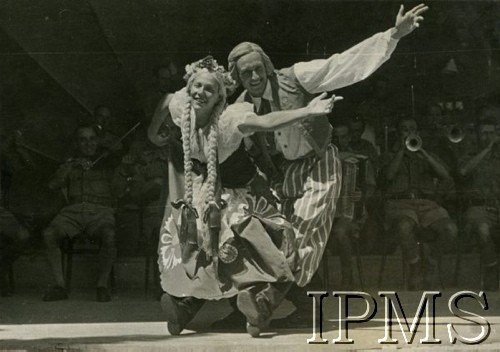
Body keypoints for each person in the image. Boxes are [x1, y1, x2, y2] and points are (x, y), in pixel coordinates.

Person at [226, 3, 429, 327]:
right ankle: (299, 305)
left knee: (306, 230)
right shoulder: (240, 106)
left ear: (267, 65)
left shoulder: (296, 77)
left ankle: (265, 302)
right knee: (281, 237)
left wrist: (393, 35)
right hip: (285, 175)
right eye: (245, 72)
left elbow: (344, 64)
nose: (253, 76)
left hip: (320, 163)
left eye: (257, 68)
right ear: (236, 77)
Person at [149, 56, 339, 337]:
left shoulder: (230, 120)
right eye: (196, 87)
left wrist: (307, 112)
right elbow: (166, 100)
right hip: (208, 196)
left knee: (274, 244)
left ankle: (256, 306)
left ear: (219, 99)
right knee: (208, 250)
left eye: (209, 90)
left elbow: (265, 122)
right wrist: (155, 133)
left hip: (247, 190)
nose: (200, 92)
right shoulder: (181, 104)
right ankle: (185, 307)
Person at [41, 125, 125, 302]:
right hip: (72, 212)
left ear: (98, 140)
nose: (88, 144)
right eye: (83, 140)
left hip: (100, 211)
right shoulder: (70, 163)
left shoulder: (108, 163)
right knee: (49, 234)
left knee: (109, 235)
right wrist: (70, 166)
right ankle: (60, 286)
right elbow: (52, 185)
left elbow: (119, 191)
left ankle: (102, 286)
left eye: (92, 139)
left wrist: (119, 170)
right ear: (77, 143)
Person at [380, 117, 457, 289]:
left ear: (418, 133)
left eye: (412, 130)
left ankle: (430, 262)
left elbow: (445, 176)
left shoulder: (427, 155)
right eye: (405, 130)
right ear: (398, 134)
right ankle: (414, 266)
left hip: (426, 205)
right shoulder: (388, 156)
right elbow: (388, 177)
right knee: (404, 226)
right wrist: (401, 150)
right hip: (399, 205)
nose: (409, 133)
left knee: (450, 229)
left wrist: (425, 155)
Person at [459, 118, 500, 290]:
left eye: (491, 133)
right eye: (484, 133)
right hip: (477, 208)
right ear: (477, 135)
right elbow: (463, 171)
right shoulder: (469, 154)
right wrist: (488, 149)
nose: (488, 136)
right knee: (482, 229)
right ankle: (492, 267)